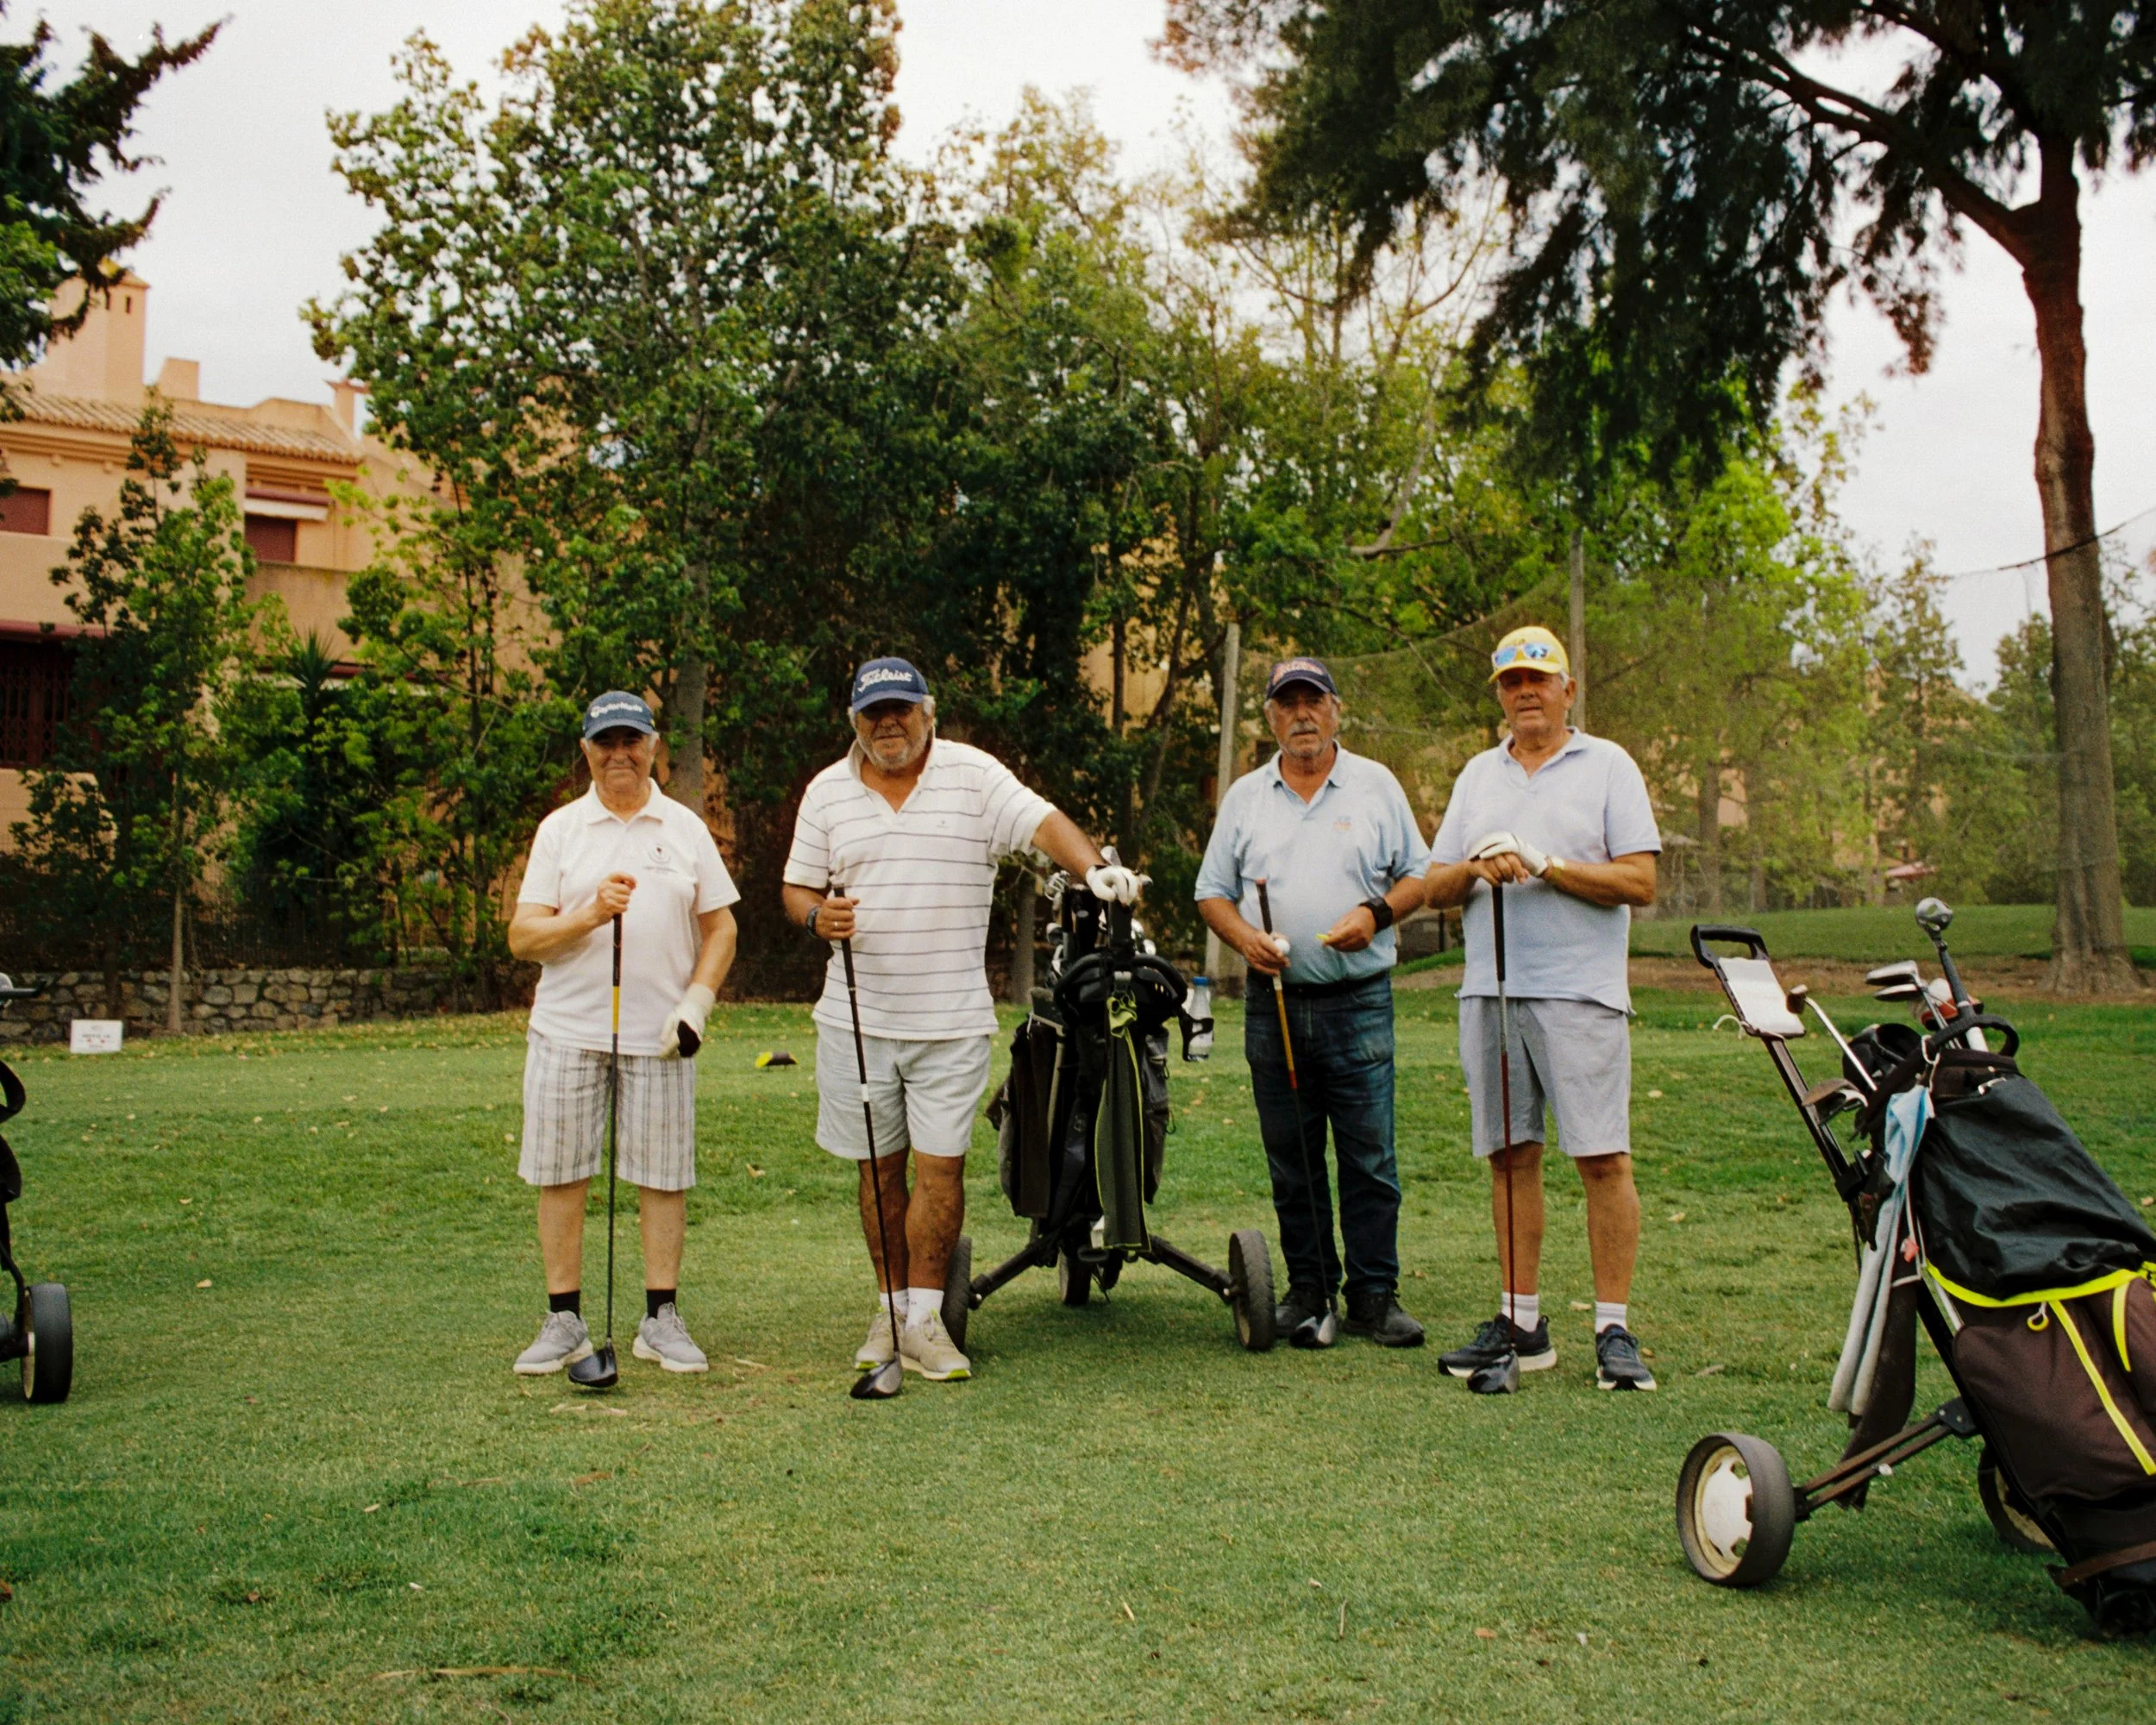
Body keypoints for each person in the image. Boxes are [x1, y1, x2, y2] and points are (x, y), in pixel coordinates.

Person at [782, 657, 1128, 1383]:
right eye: (874, 713)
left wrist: (1095, 872)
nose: (889, 724)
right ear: (855, 722)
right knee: (878, 1173)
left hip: (950, 1021)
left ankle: (927, 1319)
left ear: (928, 712)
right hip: (858, 1020)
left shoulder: (973, 776)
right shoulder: (826, 792)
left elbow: (1042, 822)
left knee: (940, 1170)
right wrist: (818, 915)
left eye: (902, 710)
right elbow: (795, 886)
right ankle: (889, 1306)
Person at [1425, 625, 1662, 1390]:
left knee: (1601, 1157)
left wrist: (1546, 866)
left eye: (1539, 678)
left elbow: (1640, 881)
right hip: (1490, 990)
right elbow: (1433, 887)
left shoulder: (1609, 766)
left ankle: (1614, 1329)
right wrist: (1475, 867)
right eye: (1511, 681)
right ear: (1499, 694)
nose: (1526, 691)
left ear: (1568, 689)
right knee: (1509, 1157)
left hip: (1580, 990)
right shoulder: (1476, 774)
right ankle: (1522, 1323)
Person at [1195, 656, 1432, 1347]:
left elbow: (1420, 875)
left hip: (1359, 1000)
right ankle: (1307, 1290)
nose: (1302, 714)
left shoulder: (1377, 786)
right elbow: (1212, 893)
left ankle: (1372, 1295)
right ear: (1270, 716)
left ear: (1336, 711)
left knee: (1369, 1157)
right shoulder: (1246, 796)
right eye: (1287, 702)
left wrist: (1377, 915)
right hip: (1275, 1004)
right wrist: (1245, 940)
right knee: (1292, 1155)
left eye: (1314, 701)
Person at [506, 691, 739, 1377]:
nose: (619, 754)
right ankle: (563, 1318)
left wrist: (696, 1003)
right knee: (562, 1171)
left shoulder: (686, 828)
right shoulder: (561, 830)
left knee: (663, 1176)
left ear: (653, 746)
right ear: (586, 751)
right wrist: (586, 915)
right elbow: (524, 937)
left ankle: (661, 1318)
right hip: (568, 1030)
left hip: (661, 1035)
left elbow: (721, 927)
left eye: (631, 741)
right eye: (605, 742)